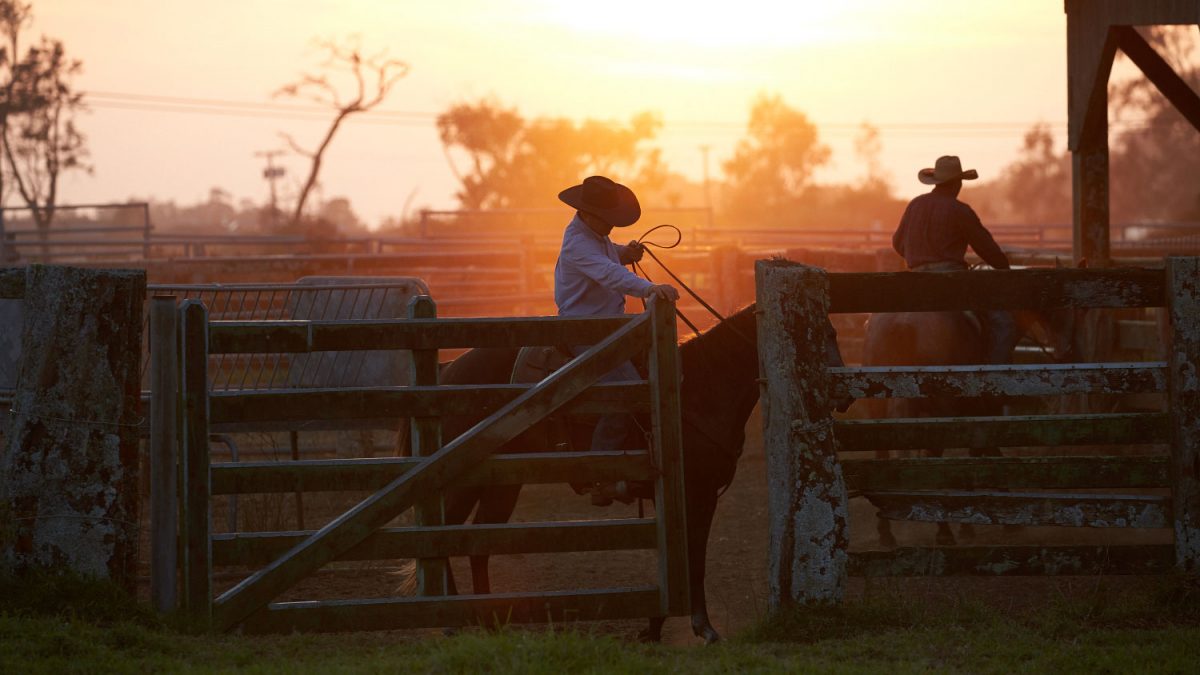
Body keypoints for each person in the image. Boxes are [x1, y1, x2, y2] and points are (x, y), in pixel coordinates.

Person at [555, 175, 679, 505]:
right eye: (607, 220)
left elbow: (608, 260)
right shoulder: (578, 243)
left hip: (606, 326)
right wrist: (649, 288)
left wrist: (625, 252)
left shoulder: (593, 234)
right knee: (625, 394)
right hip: (586, 329)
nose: (612, 226)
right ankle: (602, 474)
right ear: (589, 213)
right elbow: (607, 273)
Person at [892, 155, 1016, 363]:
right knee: (1003, 323)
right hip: (951, 280)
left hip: (914, 280)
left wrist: (920, 257)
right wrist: (1004, 268)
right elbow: (989, 251)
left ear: (936, 182)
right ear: (957, 184)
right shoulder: (960, 211)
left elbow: (897, 243)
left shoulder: (915, 205)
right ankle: (993, 380)